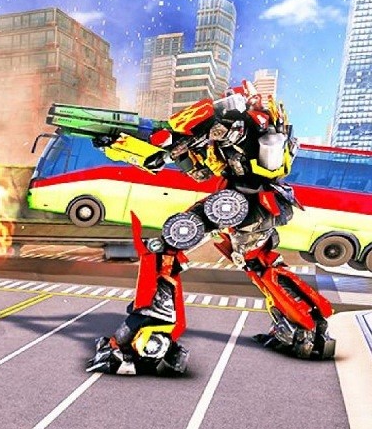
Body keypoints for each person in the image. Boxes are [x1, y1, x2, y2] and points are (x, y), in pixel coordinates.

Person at [86, 80, 335, 375]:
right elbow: (201, 170)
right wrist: (174, 150)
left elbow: (165, 145)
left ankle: (148, 337)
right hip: (261, 203)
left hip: (237, 203)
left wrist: (121, 145)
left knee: (166, 249)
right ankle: (306, 326)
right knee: (259, 262)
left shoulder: (233, 123)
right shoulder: (265, 128)